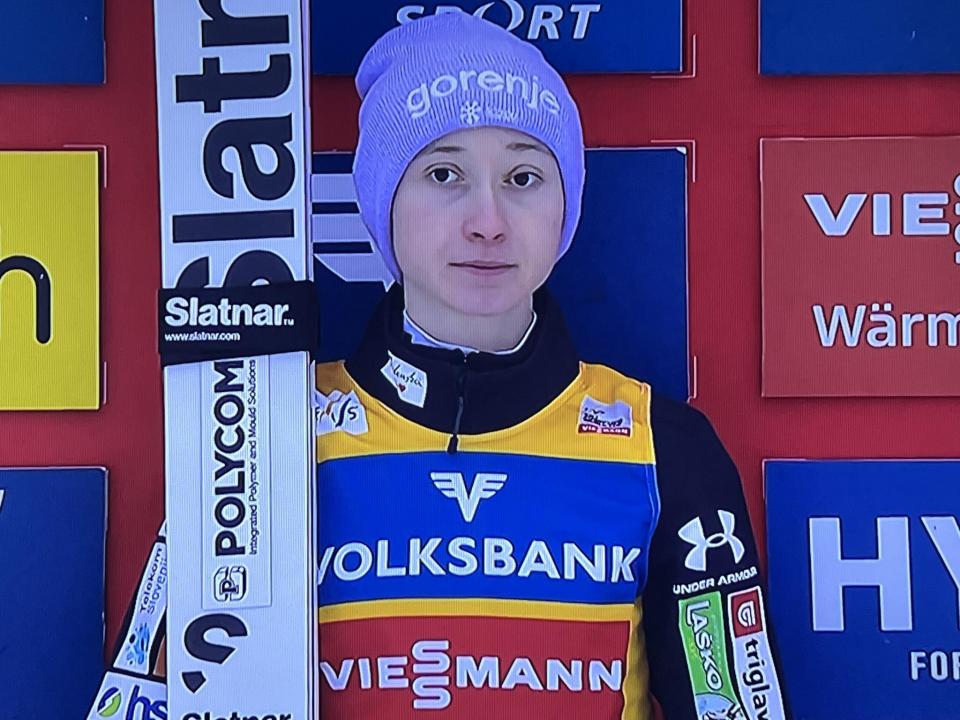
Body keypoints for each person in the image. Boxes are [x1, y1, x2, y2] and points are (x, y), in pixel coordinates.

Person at [314, 11, 791, 720]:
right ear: (382, 200)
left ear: (565, 203)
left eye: (523, 176)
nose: (488, 222)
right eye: (444, 173)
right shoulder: (263, 435)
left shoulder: (663, 449)